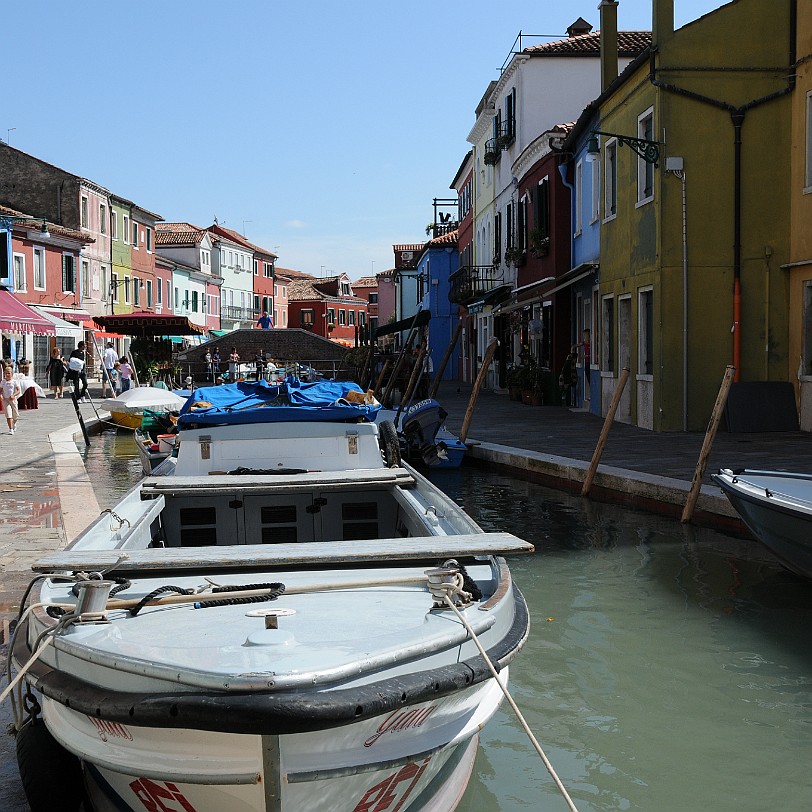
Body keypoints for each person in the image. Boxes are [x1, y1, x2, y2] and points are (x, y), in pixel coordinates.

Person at [1, 364, 22, 435]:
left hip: (13, 399)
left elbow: (18, 390)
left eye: (9, 373)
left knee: (15, 415)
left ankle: (14, 423)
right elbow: (0, 390)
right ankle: (10, 428)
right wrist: (0, 395)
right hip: (5, 400)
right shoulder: (3, 382)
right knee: (8, 414)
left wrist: (14, 395)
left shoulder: (14, 381)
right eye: (6, 373)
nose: (7, 375)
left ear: (12, 374)